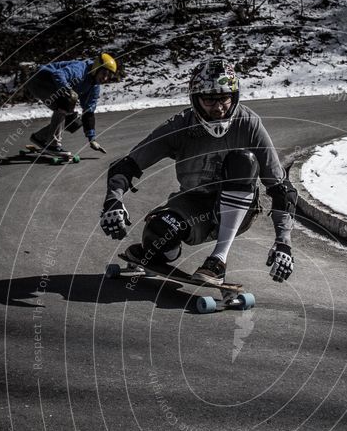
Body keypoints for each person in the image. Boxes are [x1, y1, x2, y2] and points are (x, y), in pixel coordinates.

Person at [99, 56, 296, 285]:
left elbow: (280, 188)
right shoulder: (180, 126)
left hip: (239, 207)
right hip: (193, 204)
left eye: (224, 98)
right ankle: (164, 250)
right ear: (195, 100)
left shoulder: (249, 123)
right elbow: (129, 163)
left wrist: (284, 242)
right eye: (210, 100)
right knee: (158, 235)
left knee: (243, 159)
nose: (219, 108)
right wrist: (113, 200)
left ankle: (218, 261)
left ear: (235, 96)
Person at [25, 53, 117, 155]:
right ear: (96, 68)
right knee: (68, 100)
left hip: (51, 86)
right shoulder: (81, 70)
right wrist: (68, 90)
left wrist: (92, 139)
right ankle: (53, 145)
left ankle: (39, 137)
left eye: (109, 76)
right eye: (104, 73)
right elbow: (58, 74)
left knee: (73, 121)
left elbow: (88, 112)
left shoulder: (94, 86)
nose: (105, 78)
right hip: (40, 79)